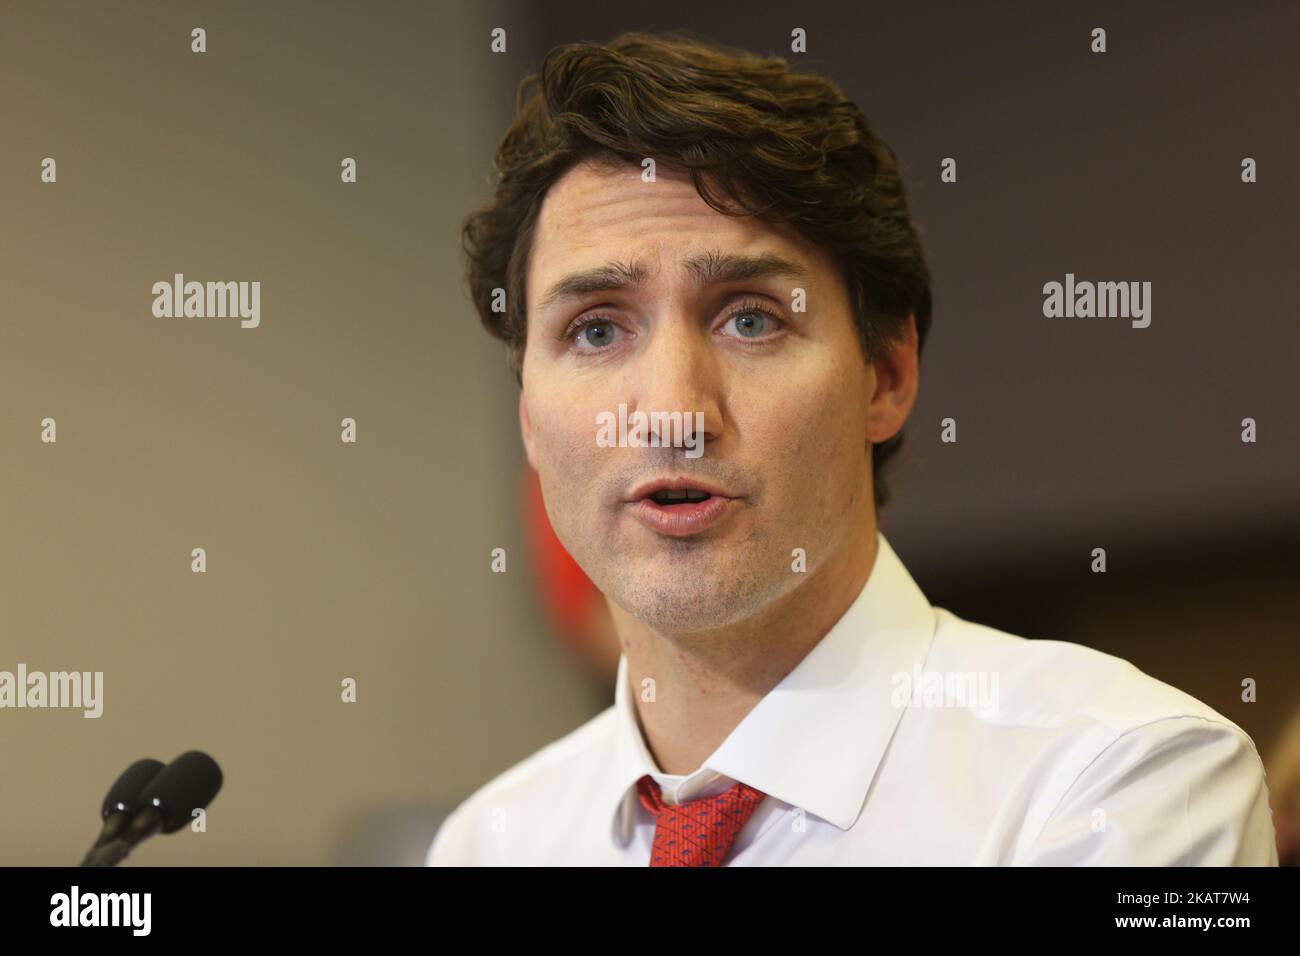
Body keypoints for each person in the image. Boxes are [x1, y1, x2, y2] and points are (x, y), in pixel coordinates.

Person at [429, 31, 1276, 865]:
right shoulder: (487, 842)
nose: (674, 414)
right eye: (597, 328)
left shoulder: (1126, 783)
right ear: (530, 422)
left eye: (750, 318)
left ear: (885, 376)